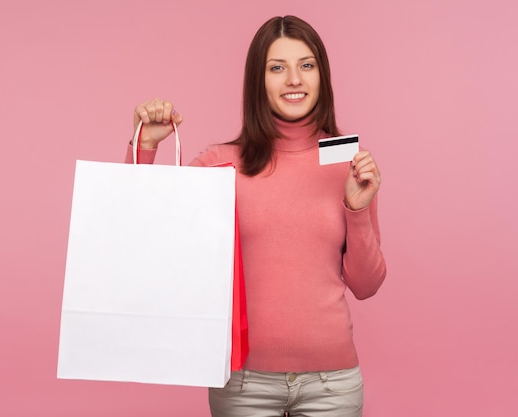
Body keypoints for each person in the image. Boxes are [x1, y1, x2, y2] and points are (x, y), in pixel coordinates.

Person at [127, 15, 386, 417]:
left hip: (332, 385)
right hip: (243, 384)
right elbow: (146, 228)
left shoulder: (347, 161)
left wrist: (357, 208)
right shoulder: (221, 164)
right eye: (277, 68)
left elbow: (367, 284)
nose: (294, 80)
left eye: (306, 65)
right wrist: (143, 146)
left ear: (322, 75)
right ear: (257, 80)